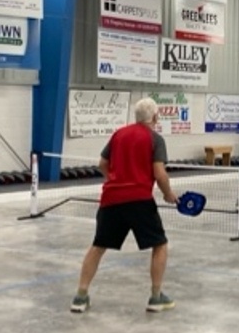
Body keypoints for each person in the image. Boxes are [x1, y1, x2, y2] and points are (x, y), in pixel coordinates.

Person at [71, 98, 178, 314]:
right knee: (160, 245)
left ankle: (80, 297)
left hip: (111, 200)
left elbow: (102, 163)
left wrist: (114, 179)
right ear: (155, 117)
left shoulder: (119, 134)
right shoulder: (155, 139)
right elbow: (159, 173)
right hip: (139, 200)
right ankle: (156, 297)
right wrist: (168, 194)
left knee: (98, 246)